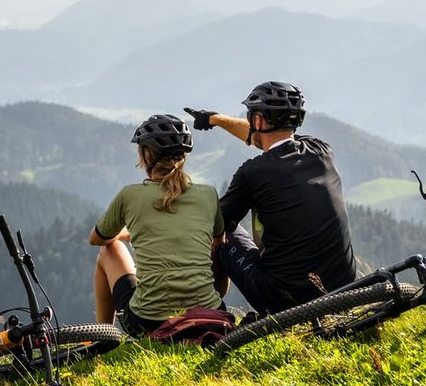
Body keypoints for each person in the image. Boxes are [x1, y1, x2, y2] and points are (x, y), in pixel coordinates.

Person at [183, 82, 357, 319]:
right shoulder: (321, 151)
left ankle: (210, 313)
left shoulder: (252, 173)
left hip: (284, 301)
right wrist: (214, 119)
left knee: (222, 231)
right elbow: (268, 139)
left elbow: (216, 225)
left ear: (257, 121)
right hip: (344, 291)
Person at [89, 113, 230, 338]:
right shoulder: (208, 194)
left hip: (147, 322)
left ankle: (100, 338)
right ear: (183, 157)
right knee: (219, 246)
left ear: (146, 154)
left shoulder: (129, 195)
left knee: (108, 249)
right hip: (210, 313)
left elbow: (96, 238)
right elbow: (219, 244)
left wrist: (127, 235)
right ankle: (204, 301)